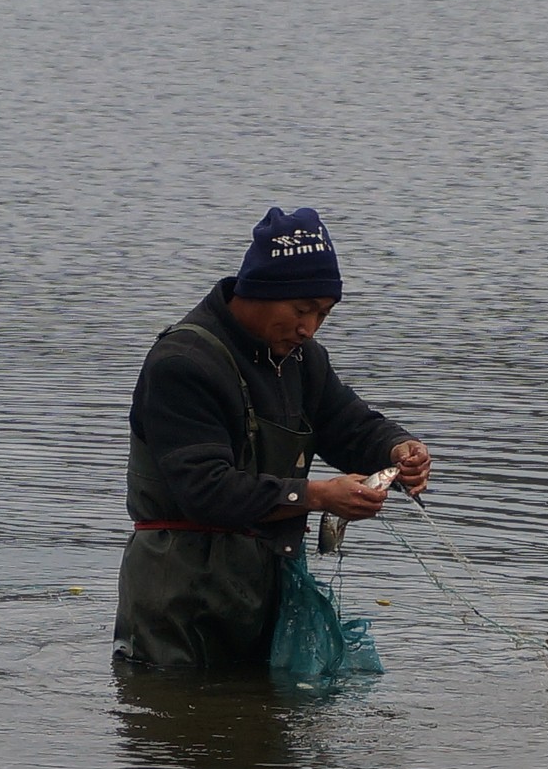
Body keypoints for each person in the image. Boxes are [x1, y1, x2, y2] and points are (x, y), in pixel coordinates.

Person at [113, 207, 431, 671]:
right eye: (300, 310)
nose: (309, 328)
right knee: (179, 729)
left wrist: (397, 450)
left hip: (264, 582)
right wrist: (319, 495)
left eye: (323, 313)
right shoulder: (182, 363)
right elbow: (206, 490)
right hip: (178, 597)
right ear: (258, 290)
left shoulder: (303, 360)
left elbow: (351, 426)